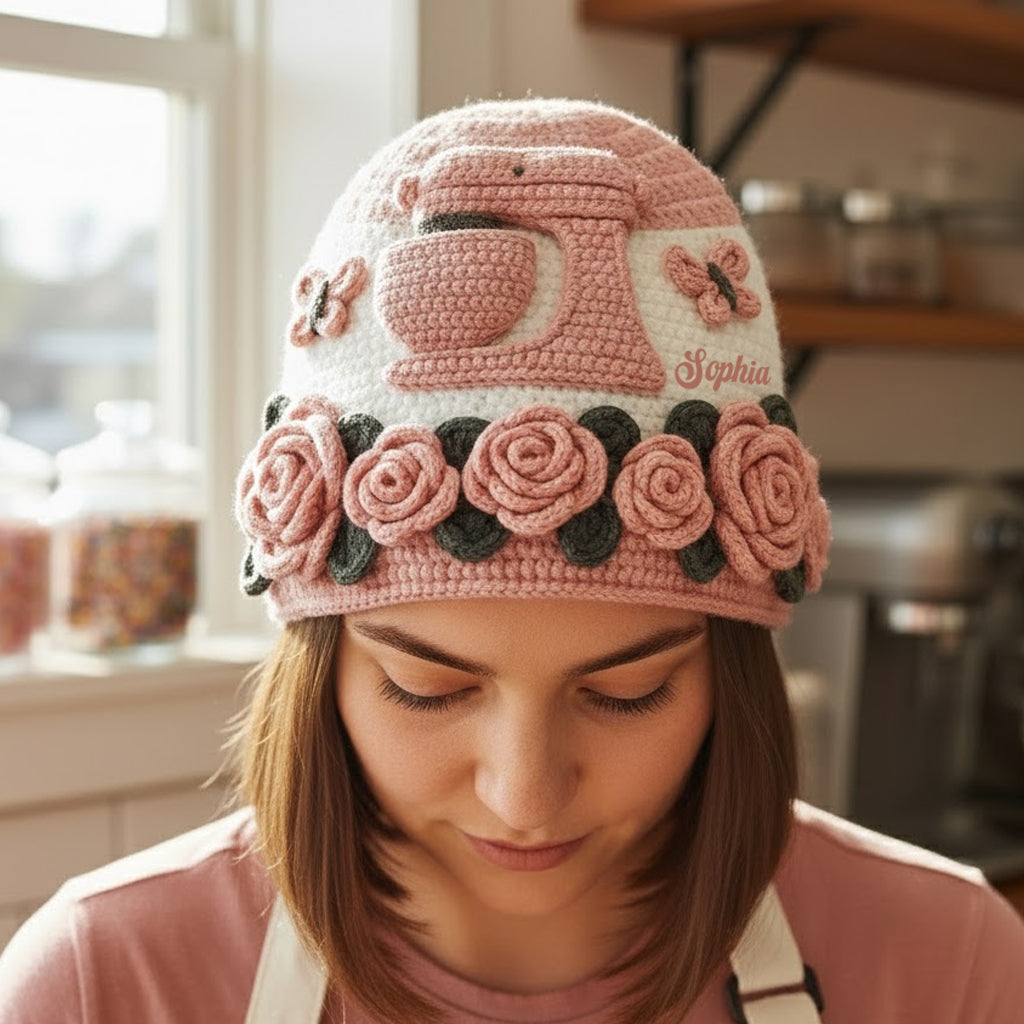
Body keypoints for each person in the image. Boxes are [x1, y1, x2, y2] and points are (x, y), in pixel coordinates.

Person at [1, 97, 1022, 1024]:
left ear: (730, 671)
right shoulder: (104, 982)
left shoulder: (949, 965)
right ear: (320, 664)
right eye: (423, 685)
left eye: (628, 691)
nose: (523, 793)